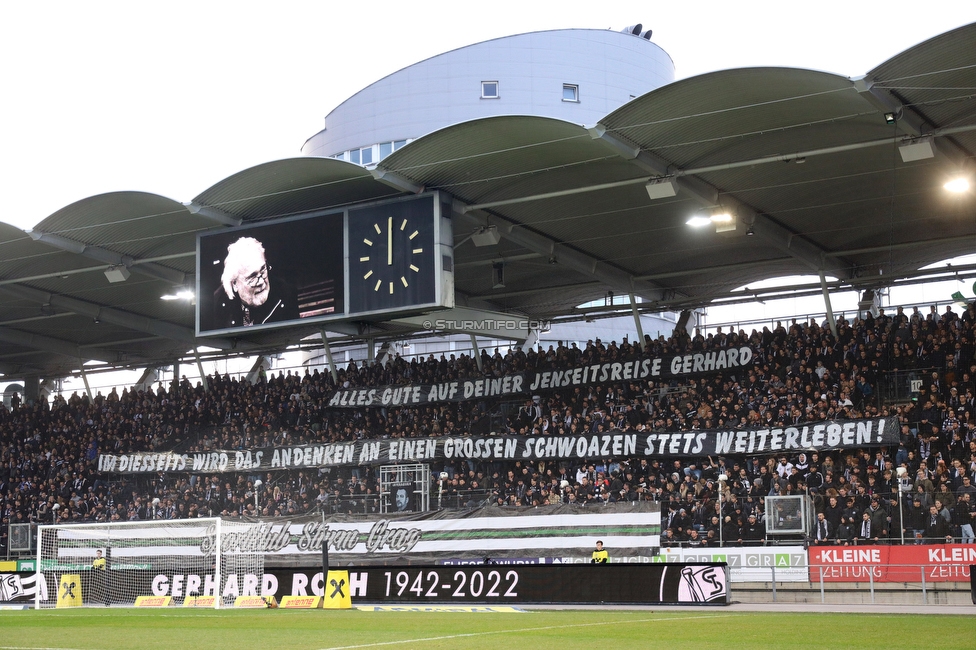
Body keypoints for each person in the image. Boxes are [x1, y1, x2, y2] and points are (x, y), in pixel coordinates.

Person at [212, 236, 298, 328]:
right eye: (252, 277)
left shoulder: (286, 293)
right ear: (234, 284)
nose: (261, 281)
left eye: (263, 270)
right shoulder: (218, 302)